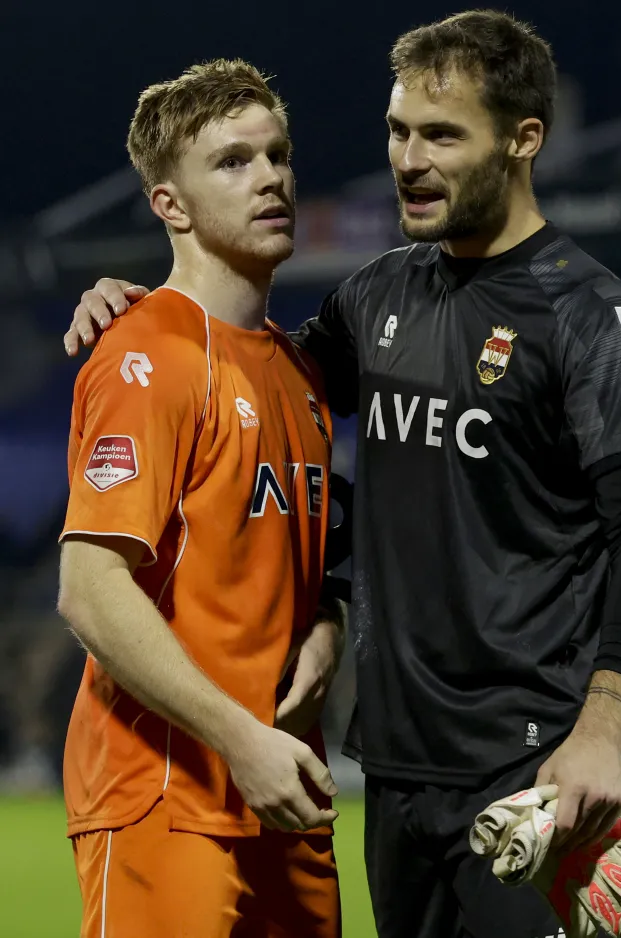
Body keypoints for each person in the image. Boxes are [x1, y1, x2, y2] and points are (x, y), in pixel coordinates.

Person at [65, 10, 621, 938]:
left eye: (442, 134)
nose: (409, 158)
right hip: (386, 774)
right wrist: (130, 303)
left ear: (524, 140)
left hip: (523, 770)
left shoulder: (591, 316)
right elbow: (278, 452)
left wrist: (602, 733)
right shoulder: (374, 300)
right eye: (398, 131)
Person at [57, 59, 346, 938]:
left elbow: (307, 557)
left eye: (278, 155)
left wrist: (329, 627)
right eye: (231, 162)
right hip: (165, 794)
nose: (270, 178)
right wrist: (240, 738)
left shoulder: (300, 374)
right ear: (169, 206)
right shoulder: (149, 357)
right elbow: (90, 589)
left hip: (283, 794)